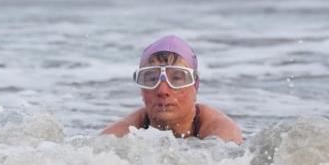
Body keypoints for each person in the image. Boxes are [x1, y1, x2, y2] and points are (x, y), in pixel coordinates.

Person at [102, 35, 244, 144]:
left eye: (176, 79)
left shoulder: (223, 134)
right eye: (151, 79)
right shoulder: (118, 135)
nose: (162, 90)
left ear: (195, 86)